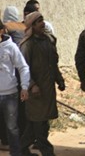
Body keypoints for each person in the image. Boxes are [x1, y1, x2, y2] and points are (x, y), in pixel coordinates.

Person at [19, 12, 65, 156]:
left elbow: (53, 64)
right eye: (39, 21)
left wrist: (60, 79)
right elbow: (23, 68)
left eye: (42, 20)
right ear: (32, 26)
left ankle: (21, 150)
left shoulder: (48, 41)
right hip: (35, 92)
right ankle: (47, 152)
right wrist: (32, 85)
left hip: (47, 89)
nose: (42, 23)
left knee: (38, 123)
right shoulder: (27, 45)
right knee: (38, 124)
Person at [0, 19, 30, 156]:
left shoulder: (10, 47)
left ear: (1, 31)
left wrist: (24, 87)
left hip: (9, 95)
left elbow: (23, 67)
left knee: (12, 128)